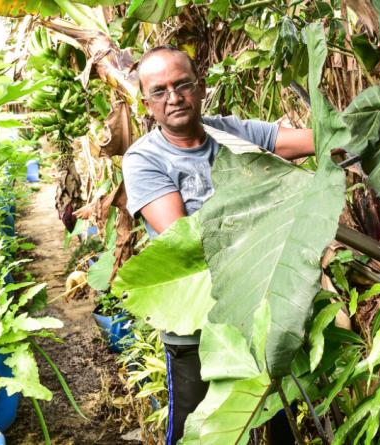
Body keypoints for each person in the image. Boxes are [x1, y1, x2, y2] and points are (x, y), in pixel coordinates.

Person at [122, 45, 314, 445]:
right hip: (197, 329)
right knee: (203, 432)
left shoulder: (231, 132)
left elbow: (314, 140)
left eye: (182, 84)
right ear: (147, 103)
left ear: (201, 86)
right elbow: (187, 238)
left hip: (261, 316)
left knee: (277, 424)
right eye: (159, 91)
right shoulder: (144, 159)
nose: (173, 97)